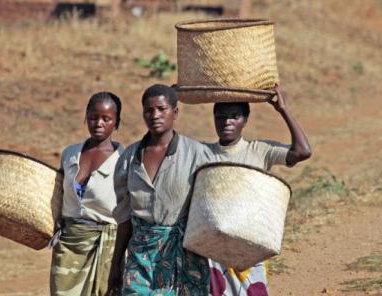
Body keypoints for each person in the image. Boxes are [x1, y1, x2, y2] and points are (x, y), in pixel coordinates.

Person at [206, 84, 312, 296]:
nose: (226, 122)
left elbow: (302, 151)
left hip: (250, 245)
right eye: (220, 116)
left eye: (234, 116)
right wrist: (174, 99)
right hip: (214, 248)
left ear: (245, 120)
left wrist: (283, 109)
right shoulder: (202, 153)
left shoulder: (259, 150)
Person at [107, 84, 211, 295]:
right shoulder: (130, 158)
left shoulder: (197, 155)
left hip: (185, 260)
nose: (155, 115)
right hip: (140, 259)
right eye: (149, 110)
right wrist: (116, 262)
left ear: (175, 112)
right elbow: (125, 217)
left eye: (161, 109)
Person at [49, 91, 124, 296]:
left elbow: (128, 215)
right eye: (93, 117)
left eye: (106, 119)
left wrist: (118, 261)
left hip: (105, 248)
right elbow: (56, 196)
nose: (98, 123)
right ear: (86, 118)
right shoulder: (70, 154)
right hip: (68, 246)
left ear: (116, 122)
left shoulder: (124, 161)